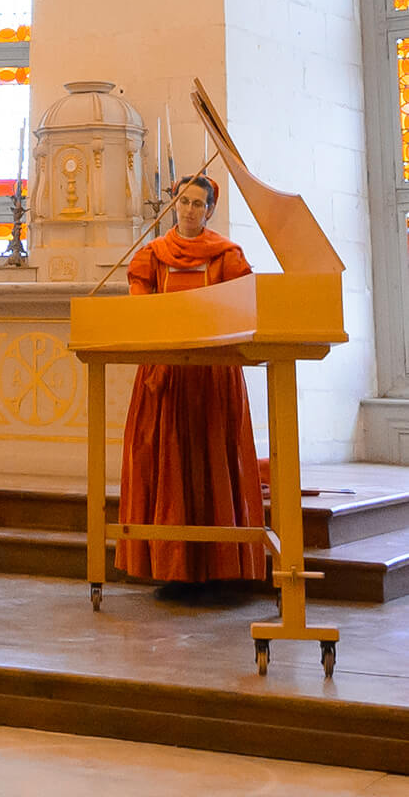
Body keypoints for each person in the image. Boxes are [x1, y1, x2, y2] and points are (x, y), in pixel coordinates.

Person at [116, 173, 266, 591]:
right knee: (165, 460)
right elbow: (140, 303)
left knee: (213, 459)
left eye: (198, 204)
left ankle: (218, 566)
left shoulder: (226, 255)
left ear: (210, 211)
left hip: (212, 375)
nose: (188, 210)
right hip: (165, 372)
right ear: (173, 204)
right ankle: (170, 565)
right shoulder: (153, 254)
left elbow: (243, 302)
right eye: (183, 201)